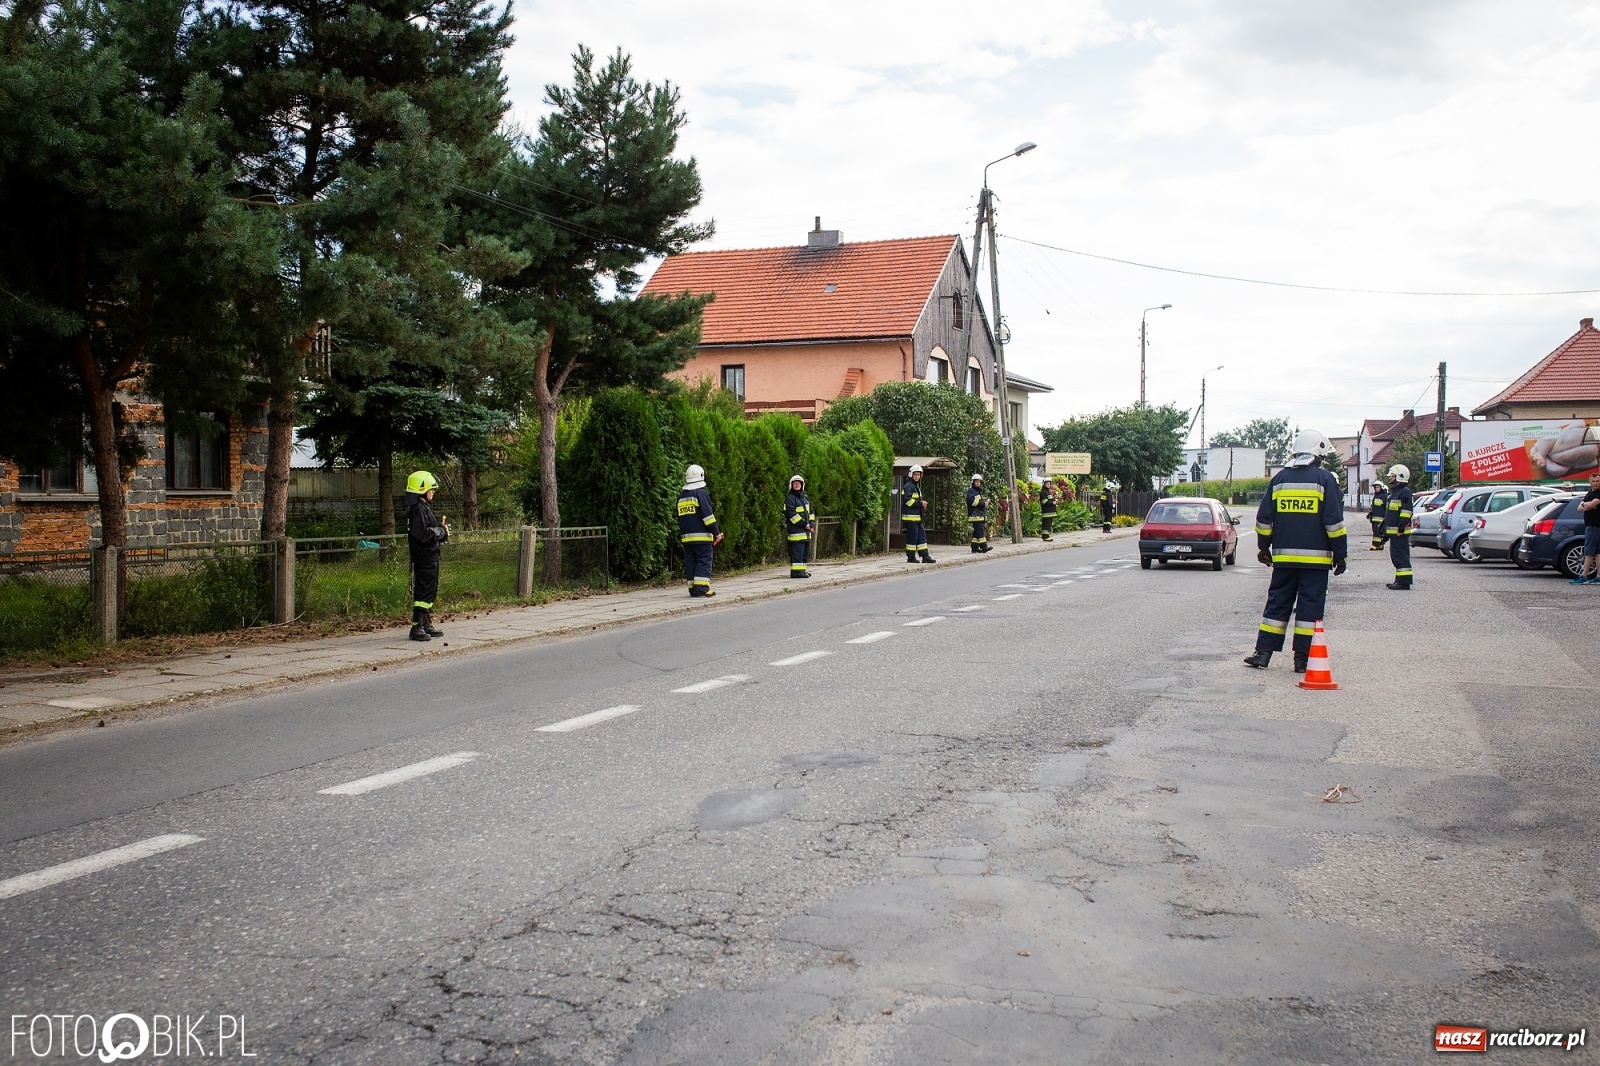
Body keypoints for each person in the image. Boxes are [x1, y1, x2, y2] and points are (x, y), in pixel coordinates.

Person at [1243, 429, 1347, 672]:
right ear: (1317, 453)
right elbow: (1333, 521)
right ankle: (1302, 660)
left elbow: (1264, 520)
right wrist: (1340, 554)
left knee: (1277, 603)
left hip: (1283, 558)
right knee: (1309, 608)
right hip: (1316, 561)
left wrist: (1263, 548)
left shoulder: (1279, 480)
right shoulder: (1325, 480)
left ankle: (1263, 654)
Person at [405, 470, 449, 642]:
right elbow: (422, 534)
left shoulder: (424, 508)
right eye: (432, 489)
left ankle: (426, 623)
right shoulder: (417, 510)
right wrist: (439, 532)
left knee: (430, 591)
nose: (433, 492)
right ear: (422, 489)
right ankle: (417, 627)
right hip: (424, 558)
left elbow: (430, 531)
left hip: (431, 557)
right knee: (423, 593)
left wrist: (441, 532)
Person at [677, 463, 723, 597]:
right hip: (702, 537)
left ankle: (692, 588)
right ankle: (702, 588)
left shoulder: (681, 496)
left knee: (691, 562)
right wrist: (717, 533)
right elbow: (708, 517)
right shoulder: (701, 494)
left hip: (687, 538)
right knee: (704, 560)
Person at [1380, 464, 1415, 590]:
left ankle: (1404, 582)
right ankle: (1399, 579)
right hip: (1394, 533)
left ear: (1400, 477)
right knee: (1396, 556)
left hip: (1400, 533)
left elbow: (1406, 511)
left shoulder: (1404, 492)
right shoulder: (1396, 493)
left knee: (1401, 557)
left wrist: (1401, 527)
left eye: (1393, 476)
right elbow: (1391, 512)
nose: (1390, 478)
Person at [901, 465, 935, 563]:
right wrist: (921, 503)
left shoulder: (915, 486)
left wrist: (921, 504)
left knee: (921, 536)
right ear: (911, 475)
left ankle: (925, 556)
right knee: (913, 538)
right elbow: (908, 501)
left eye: (918, 475)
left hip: (917, 518)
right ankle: (911, 557)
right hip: (910, 518)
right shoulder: (908, 486)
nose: (917, 476)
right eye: (915, 474)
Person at [785, 474, 816, 578]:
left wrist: (812, 524)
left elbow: (811, 512)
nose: (797, 485)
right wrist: (805, 524)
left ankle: (802, 571)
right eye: (795, 483)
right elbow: (792, 515)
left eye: (799, 483)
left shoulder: (805, 498)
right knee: (797, 553)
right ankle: (796, 573)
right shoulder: (790, 499)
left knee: (804, 553)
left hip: (806, 533)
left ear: (802, 485)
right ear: (791, 485)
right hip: (796, 533)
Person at [1572, 470, 1600, 584]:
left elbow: (1594, 503)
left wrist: (1588, 505)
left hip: (1594, 527)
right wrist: (1586, 505)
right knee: (1598, 552)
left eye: (1598, 481)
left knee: (1589, 552)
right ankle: (1598, 577)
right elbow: (1579, 508)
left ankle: (1584, 576)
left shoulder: (1599, 493)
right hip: (1592, 526)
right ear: (1590, 482)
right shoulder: (1589, 494)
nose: (1595, 483)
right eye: (1593, 481)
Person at [965, 474, 991, 553]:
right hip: (975, 516)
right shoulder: (971, 491)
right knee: (980, 531)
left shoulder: (978, 491)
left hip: (979, 516)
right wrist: (983, 503)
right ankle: (984, 547)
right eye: (976, 481)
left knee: (976, 532)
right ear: (973, 482)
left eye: (979, 481)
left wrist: (984, 503)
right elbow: (971, 501)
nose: (978, 483)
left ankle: (974, 547)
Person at [1367, 482, 1389, 550]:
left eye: (1378, 487)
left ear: (1381, 488)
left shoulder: (1384, 496)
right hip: (1374, 517)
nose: (1376, 489)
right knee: (1375, 531)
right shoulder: (1375, 496)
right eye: (1376, 487)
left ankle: (1375, 545)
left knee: (1377, 532)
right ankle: (1380, 545)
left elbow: (1386, 507)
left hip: (1380, 518)